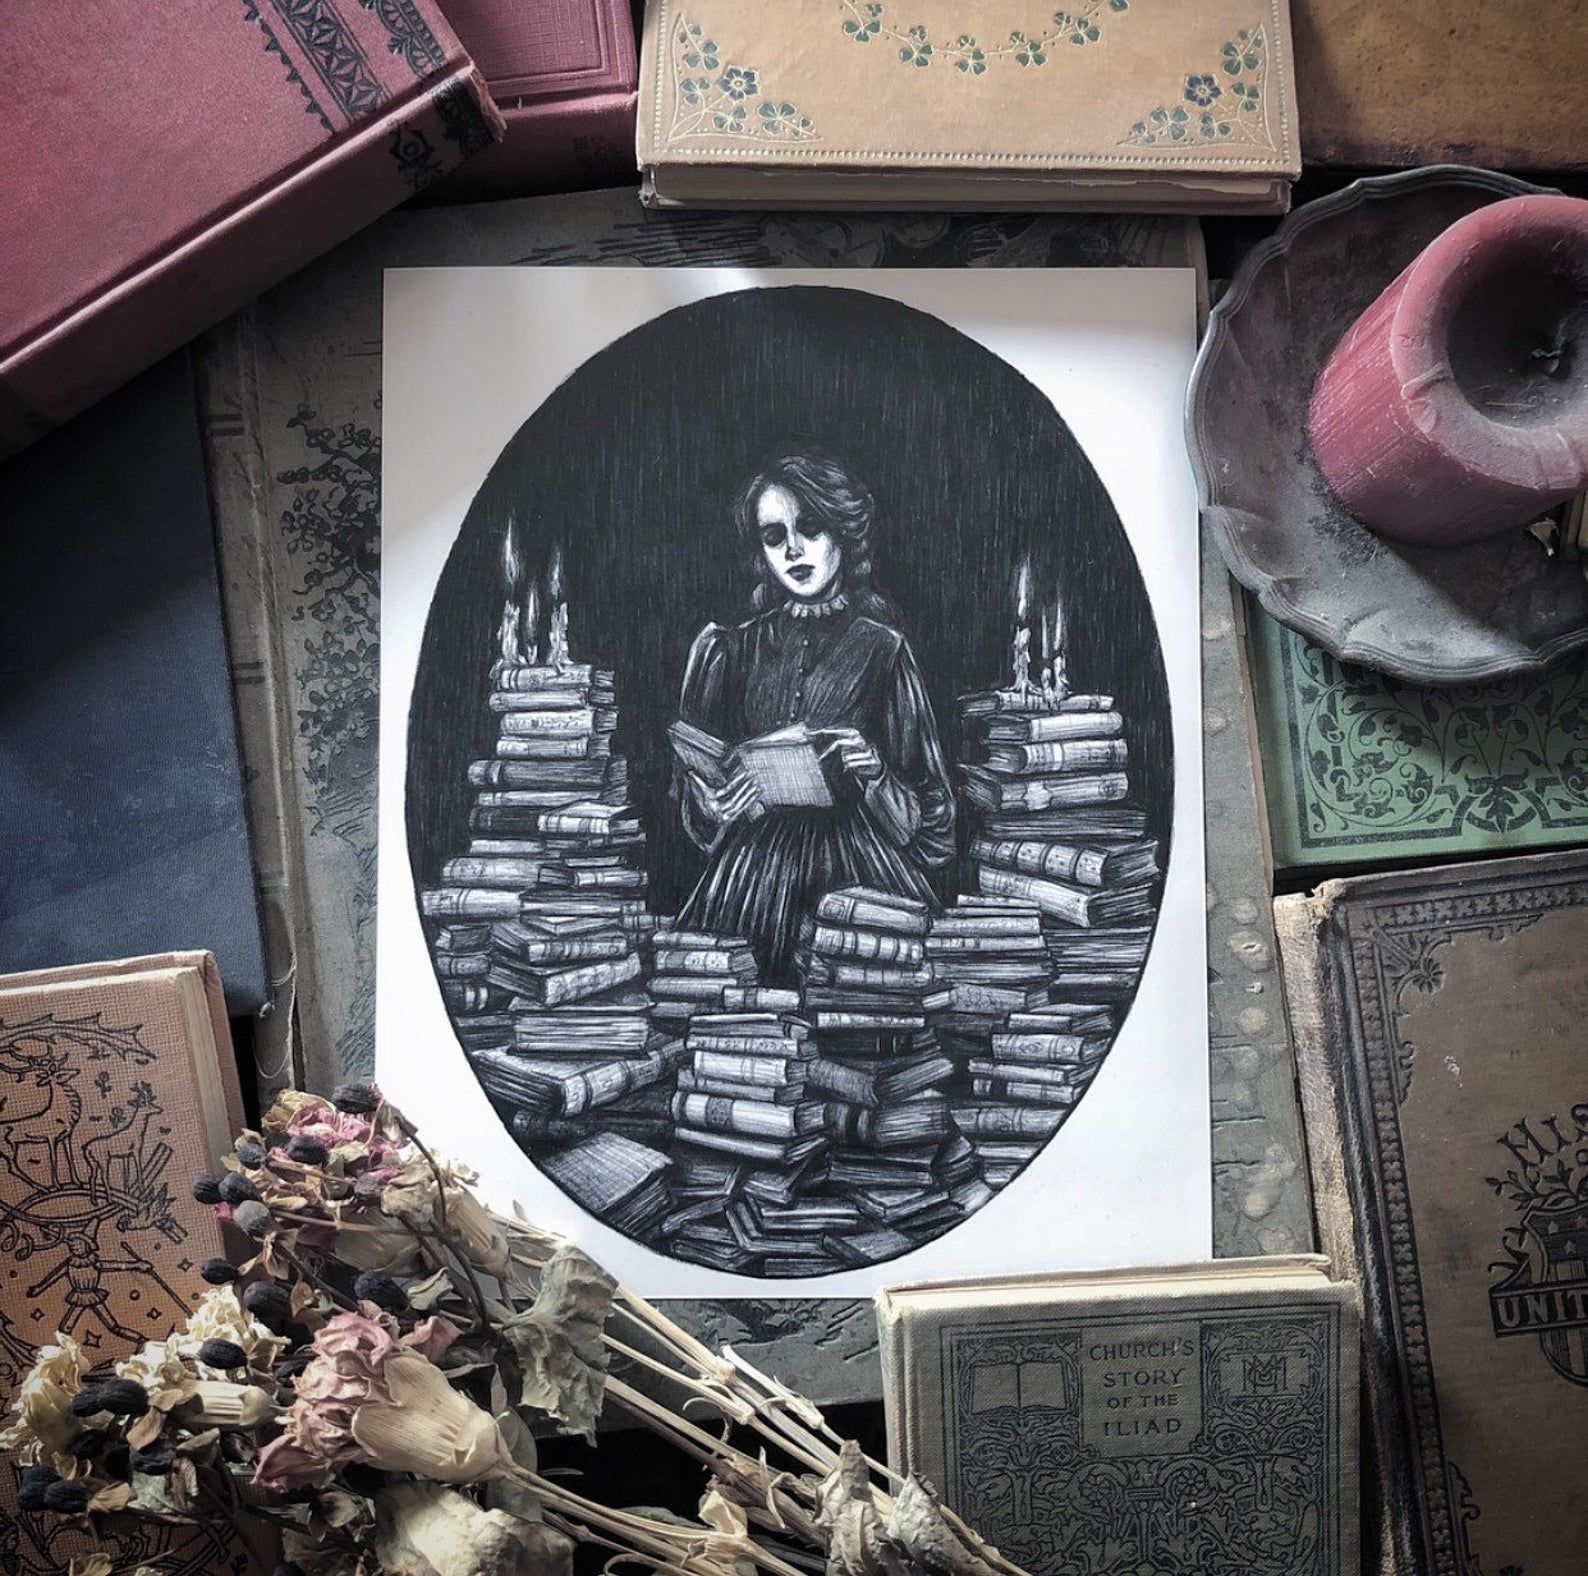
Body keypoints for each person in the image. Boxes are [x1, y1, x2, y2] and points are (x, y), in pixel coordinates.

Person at [673, 450, 955, 981]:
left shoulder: (883, 650)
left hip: (860, 873)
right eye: (774, 536)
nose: (794, 550)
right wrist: (715, 803)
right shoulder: (732, 649)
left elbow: (936, 823)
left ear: (843, 532)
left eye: (811, 527)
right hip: (748, 879)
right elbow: (695, 805)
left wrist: (875, 774)